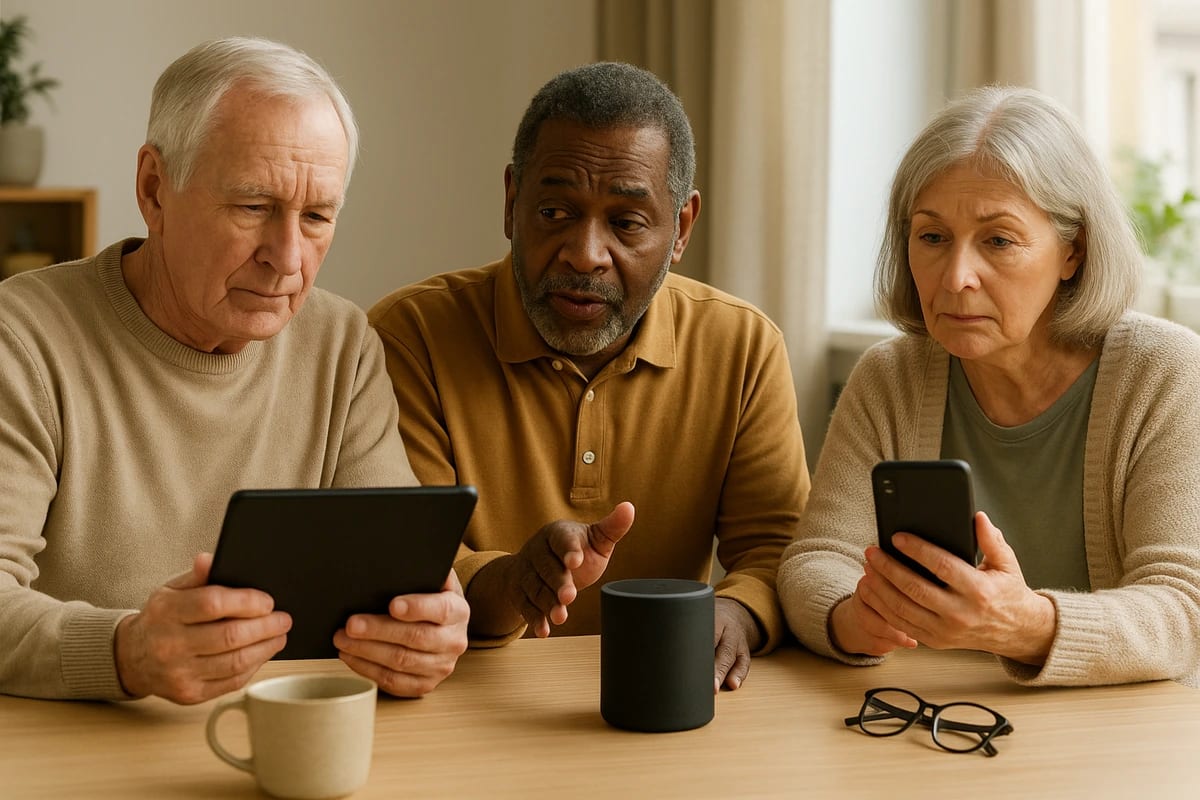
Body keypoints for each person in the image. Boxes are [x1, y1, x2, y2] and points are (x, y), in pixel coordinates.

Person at [0, 37, 468, 704]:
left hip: (275, 744)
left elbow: (400, 586)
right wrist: (126, 652)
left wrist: (425, 632)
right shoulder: (21, 338)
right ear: (154, 191)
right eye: (253, 207)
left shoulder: (342, 344)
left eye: (316, 217)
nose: (286, 258)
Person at [368, 62, 809, 691]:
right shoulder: (409, 338)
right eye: (554, 211)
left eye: (626, 223)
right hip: (465, 703)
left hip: (665, 696)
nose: (585, 253)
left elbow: (776, 549)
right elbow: (411, 568)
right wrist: (516, 579)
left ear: (680, 228)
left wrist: (735, 612)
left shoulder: (742, 346)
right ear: (511, 202)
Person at [779, 85, 1200, 687]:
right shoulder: (889, 377)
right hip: (937, 722)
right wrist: (854, 619)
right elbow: (815, 561)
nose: (956, 278)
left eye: (998, 240)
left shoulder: (1165, 372)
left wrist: (1025, 625)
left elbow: (1185, 613)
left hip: (1123, 738)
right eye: (931, 237)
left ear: (1073, 252)